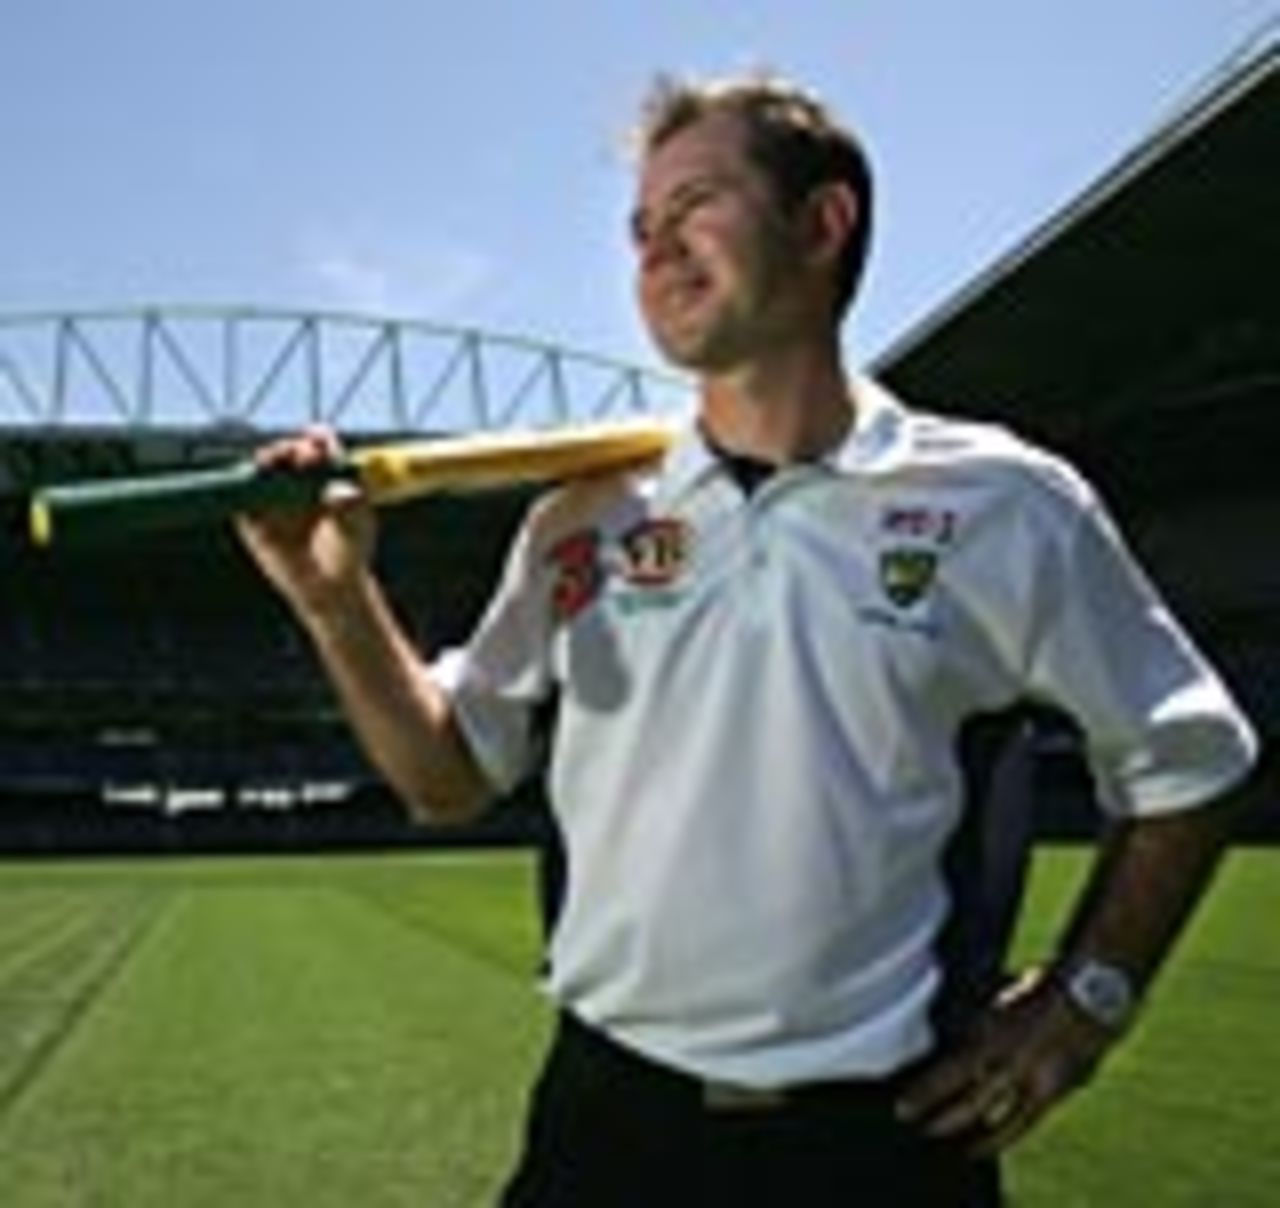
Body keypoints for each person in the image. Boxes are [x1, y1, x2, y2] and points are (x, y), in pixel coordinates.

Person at [236, 72, 1260, 1207]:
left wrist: (1085, 1001)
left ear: (820, 224)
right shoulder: (581, 517)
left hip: (880, 1147)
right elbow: (445, 776)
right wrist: (332, 601)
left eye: (694, 207)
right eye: (638, 228)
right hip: (605, 1129)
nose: (654, 250)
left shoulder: (1002, 504)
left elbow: (1190, 759)